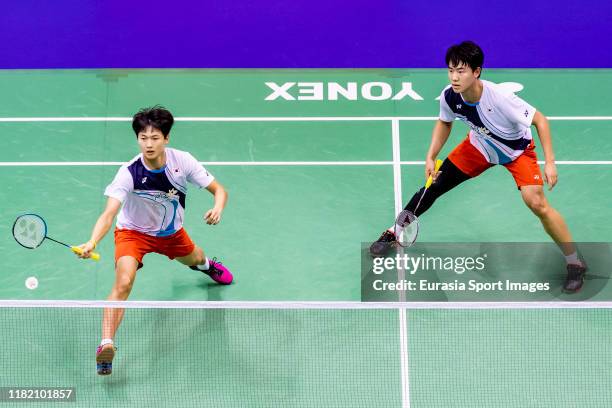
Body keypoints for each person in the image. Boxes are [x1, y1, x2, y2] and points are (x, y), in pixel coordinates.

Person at [369, 41, 586, 293]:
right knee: (432, 187)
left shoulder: (500, 98)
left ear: (477, 71)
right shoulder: (450, 95)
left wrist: (550, 163)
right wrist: (431, 156)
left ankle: (575, 262)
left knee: (536, 202)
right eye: (451, 70)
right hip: (479, 146)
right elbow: (444, 123)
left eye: (461, 71)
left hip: (516, 151)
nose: (454, 77)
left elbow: (540, 120)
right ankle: (394, 231)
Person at [76, 106, 233, 375]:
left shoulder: (182, 162)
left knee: (194, 257)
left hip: (170, 233)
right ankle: (105, 345)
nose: (148, 144)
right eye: (143, 138)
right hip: (133, 234)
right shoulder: (129, 172)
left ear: (166, 138)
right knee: (123, 282)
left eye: (155, 137)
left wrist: (217, 207)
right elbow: (109, 213)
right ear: (137, 139)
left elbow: (219, 190)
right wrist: (92, 242)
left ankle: (207, 266)